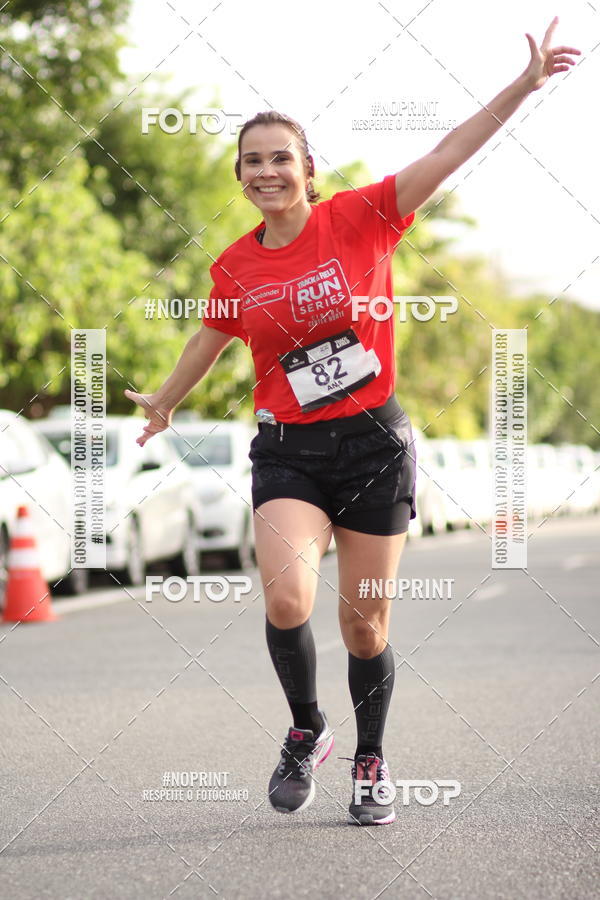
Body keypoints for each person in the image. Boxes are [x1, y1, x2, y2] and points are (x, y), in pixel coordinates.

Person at [125, 18, 579, 826]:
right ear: (241, 175)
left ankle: (371, 759)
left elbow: (448, 152)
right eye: (252, 161)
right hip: (290, 451)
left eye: (280, 158)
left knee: (364, 623)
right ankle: (306, 730)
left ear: (308, 169)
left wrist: (522, 86)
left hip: (373, 444)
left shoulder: (362, 217)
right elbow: (211, 333)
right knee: (288, 599)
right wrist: (165, 400)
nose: (267, 171)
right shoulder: (236, 262)